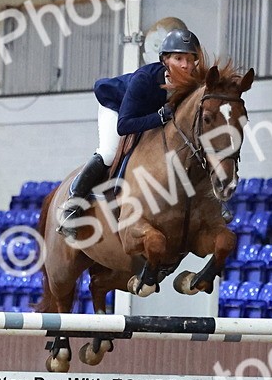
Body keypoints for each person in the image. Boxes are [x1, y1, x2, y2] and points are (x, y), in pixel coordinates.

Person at [57, 28, 202, 231]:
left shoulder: (194, 83)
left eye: (190, 59)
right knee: (108, 153)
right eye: (179, 58)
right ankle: (72, 206)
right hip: (117, 107)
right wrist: (160, 117)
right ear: (165, 60)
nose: (185, 65)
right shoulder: (144, 79)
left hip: (149, 115)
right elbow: (124, 125)